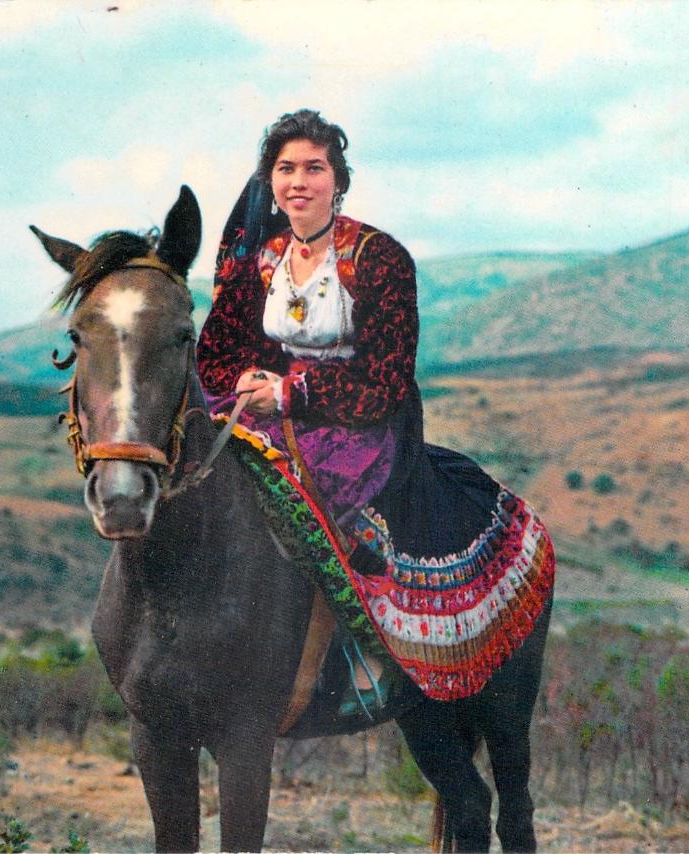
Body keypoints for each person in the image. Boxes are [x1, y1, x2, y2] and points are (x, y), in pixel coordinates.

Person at [197, 109, 553, 712]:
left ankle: (360, 646)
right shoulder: (263, 261)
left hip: (356, 420)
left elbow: (386, 376)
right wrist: (246, 379)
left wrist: (291, 393)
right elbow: (220, 346)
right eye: (286, 169)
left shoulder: (379, 257)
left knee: (304, 497)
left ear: (339, 180)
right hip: (267, 408)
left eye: (315, 167)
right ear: (271, 182)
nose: (299, 182)